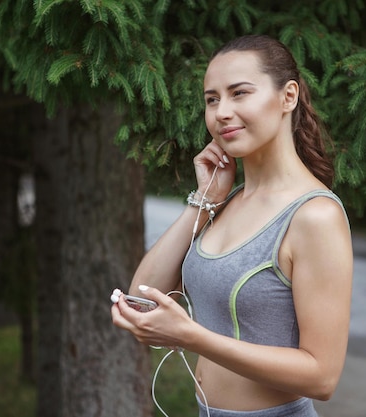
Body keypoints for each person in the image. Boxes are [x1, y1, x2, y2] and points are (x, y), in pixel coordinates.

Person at [111, 34, 353, 417]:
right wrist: (204, 200)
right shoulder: (227, 201)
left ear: (288, 97)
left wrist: (191, 337)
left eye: (239, 93)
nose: (221, 111)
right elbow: (142, 298)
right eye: (212, 99)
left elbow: (322, 377)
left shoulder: (314, 216)